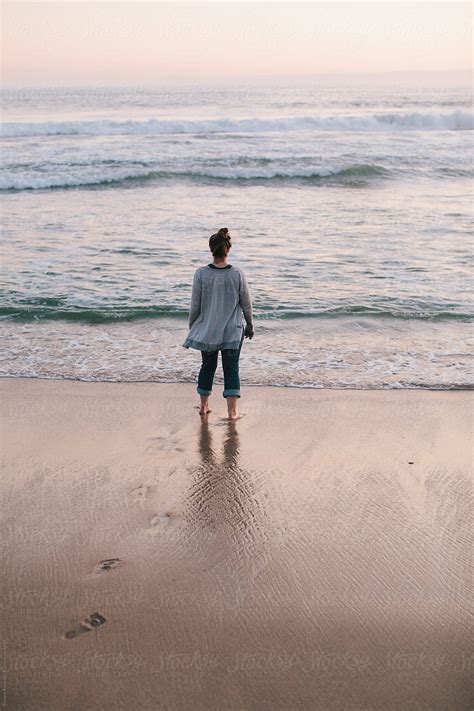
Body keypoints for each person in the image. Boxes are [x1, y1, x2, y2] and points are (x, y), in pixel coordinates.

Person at [182, 228, 254, 420]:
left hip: (209, 331)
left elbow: (194, 306)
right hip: (232, 331)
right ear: (228, 250)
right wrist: (250, 325)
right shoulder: (237, 274)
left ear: (211, 250)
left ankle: (204, 407)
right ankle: (232, 412)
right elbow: (246, 304)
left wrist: (194, 327)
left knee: (207, 367)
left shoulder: (201, 274)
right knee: (232, 369)